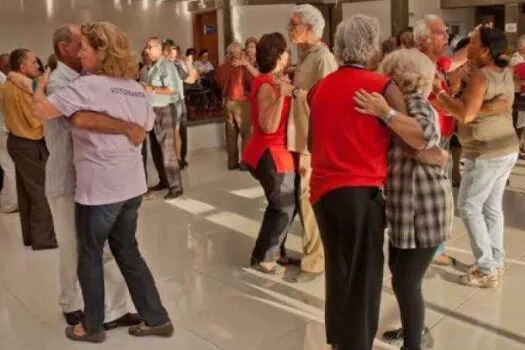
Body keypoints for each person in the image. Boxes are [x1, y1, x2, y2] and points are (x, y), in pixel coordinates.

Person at [33, 21, 173, 342]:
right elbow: (144, 126)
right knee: (128, 251)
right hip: (132, 187)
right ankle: (157, 318)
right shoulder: (135, 87)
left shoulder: (88, 86)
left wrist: (38, 85)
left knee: (90, 254)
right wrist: (125, 126)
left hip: (99, 189)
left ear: (101, 52)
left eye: (86, 47)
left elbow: (47, 112)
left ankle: (92, 326)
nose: (81, 52)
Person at [308, 14, 438, 350]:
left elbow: (312, 143)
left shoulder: (320, 88)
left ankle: (339, 340)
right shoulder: (381, 86)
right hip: (359, 196)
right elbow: (415, 140)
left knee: (338, 273)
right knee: (364, 279)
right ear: (372, 48)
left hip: (322, 194)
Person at [44, 23, 143, 329]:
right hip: (68, 179)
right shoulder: (58, 83)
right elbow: (83, 118)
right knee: (74, 249)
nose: (87, 48)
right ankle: (71, 303)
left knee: (110, 247)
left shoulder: (92, 79)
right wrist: (127, 125)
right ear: (65, 49)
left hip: (98, 178)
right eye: (81, 44)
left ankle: (115, 308)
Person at [359, 48, 453, 350]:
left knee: (405, 282)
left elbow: (424, 135)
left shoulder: (413, 103)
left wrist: (385, 112)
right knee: (401, 277)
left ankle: (414, 343)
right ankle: (415, 328)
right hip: (405, 209)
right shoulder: (405, 104)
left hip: (422, 208)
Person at [436, 27, 519, 288]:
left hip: (487, 152)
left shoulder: (482, 76)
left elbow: (466, 115)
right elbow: (500, 104)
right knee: (491, 207)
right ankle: (496, 259)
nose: (467, 47)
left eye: (472, 43)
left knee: (470, 207)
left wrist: (440, 97)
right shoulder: (504, 72)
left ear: (485, 50)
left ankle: (486, 268)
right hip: (505, 148)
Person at [283, 3, 339, 283]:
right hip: (302, 138)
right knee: (303, 199)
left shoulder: (323, 58)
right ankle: (311, 253)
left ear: (309, 27)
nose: (290, 29)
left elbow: (328, 102)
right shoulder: (306, 55)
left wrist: (292, 90)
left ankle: (315, 261)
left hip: (313, 143)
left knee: (309, 200)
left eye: (293, 25)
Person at [242, 32, 296, 274]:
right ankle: (266, 258)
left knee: (278, 205)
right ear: (279, 55)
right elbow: (268, 125)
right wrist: (283, 95)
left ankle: (265, 252)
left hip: (272, 152)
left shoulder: (270, 79)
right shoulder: (266, 84)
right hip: (270, 153)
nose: (288, 55)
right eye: (285, 51)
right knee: (284, 205)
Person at [0, 48, 57, 250]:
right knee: (41, 191)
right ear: (22, 67)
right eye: (33, 62)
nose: (38, 66)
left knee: (26, 193)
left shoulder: (7, 86)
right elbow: (35, 121)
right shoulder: (22, 91)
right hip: (29, 144)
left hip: (17, 142)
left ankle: (31, 236)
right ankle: (44, 239)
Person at [142, 37, 184, 200]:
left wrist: (151, 88)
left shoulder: (167, 66)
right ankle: (164, 180)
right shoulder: (149, 68)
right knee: (155, 149)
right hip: (151, 111)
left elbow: (172, 89)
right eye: (146, 47)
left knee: (167, 150)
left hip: (164, 110)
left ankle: (176, 186)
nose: (146, 50)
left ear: (159, 49)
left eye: (149, 47)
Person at [216, 42, 253, 171]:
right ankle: (244, 163)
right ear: (238, 53)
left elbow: (218, 83)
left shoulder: (221, 68)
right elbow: (252, 83)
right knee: (246, 134)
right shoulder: (243, 67)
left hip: (227, 103)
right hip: (242, 103)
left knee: (231, 134)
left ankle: (232, 163)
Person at [0, 53, 18, 213]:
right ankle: (10, 203)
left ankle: (9, 202)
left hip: (4, 128)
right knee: (9, 166)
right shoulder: (4, 82)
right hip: (4, 129)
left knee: (8, 165)